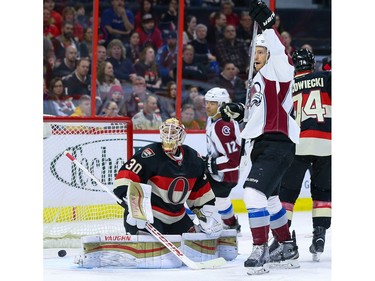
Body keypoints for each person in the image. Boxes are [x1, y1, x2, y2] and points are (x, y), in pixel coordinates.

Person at [219, 1, 301, 274]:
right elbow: (259, 111)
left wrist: (269, 26)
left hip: (277, 143)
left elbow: (280, 54)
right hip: (261, 144)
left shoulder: (280, 70)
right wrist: (239, 111)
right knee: (269, 200)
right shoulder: (258, 78)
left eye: (262, 51)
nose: (258, 55)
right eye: (256, 51)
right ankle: (287, 245)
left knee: (252, 193)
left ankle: (259, 247)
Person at [113, 117, 223, 237]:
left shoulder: (193, 159)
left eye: (174, 132)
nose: (169, 136)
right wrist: (134, 207)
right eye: (166, 132)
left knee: (194, 240)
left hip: (177, 217)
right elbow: (125, 178)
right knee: (147, 244)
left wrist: (205, 216)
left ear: (182, 136)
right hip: (150, 215)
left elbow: (200, 192)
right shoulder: (149, 155)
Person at [278, 48, 331, 262]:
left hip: (298, 144)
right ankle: (319, 234)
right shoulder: (326, 77)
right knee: (323, 193)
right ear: (313, 64)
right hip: (326, 143)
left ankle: (282, 238)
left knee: (287, 194)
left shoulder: (287, 86)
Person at [204, 87, 242, 232]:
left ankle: (205, 225)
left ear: (221, 105)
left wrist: (211, 164)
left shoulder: (223, 126)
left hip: (226, 174)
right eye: (207, 102)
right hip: (221, 172)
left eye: (212, 103)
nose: (207, 106)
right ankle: (232, 224)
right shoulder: (212, 120)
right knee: (221, 201)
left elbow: (233, 159)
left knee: (202, 197)